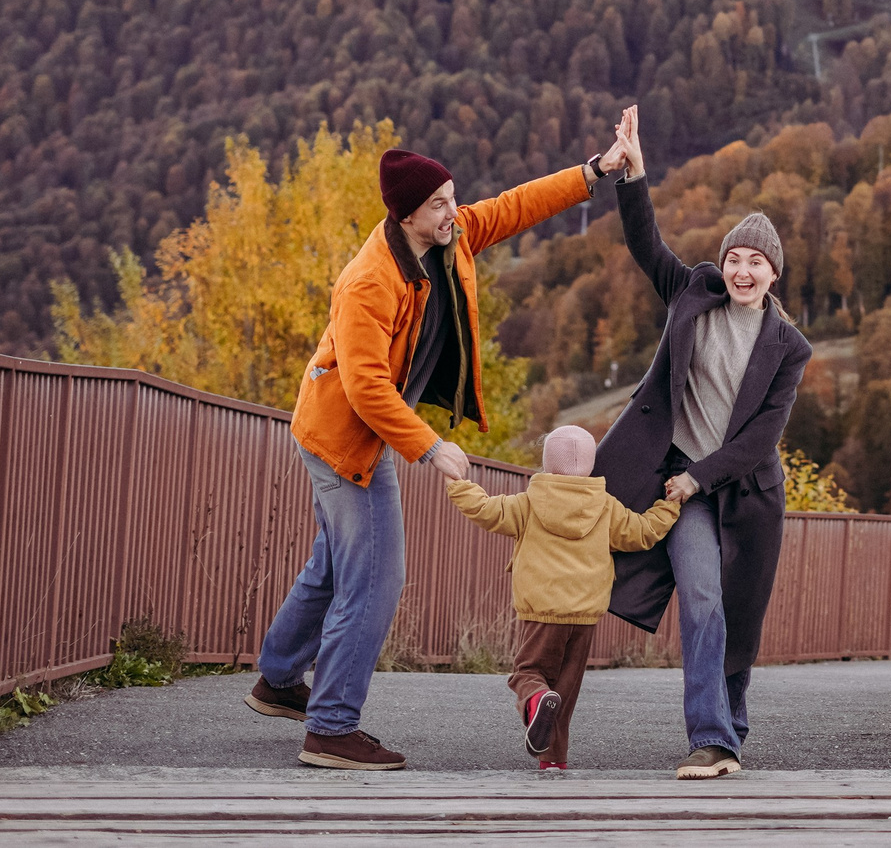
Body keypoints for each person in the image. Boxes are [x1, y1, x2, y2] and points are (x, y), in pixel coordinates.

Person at [246, 143, 626, 770]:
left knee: (337, 565)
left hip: (349, 431)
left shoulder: (448, 238)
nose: (455, 211)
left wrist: (594, 172)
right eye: (439, 204)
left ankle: (279, 679)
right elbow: (367, 387)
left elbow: (515, 206)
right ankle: (331, 728)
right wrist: (430, 447)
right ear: (405, 216)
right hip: (345, 443)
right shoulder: (368, 281)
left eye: (452, 198)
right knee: (375, 578)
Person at [592, 104, 812, 779]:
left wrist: (701, 477)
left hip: (745, 495)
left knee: (739, 620)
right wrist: (634, 173)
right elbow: (646, 243)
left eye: (757, 263)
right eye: (735, 259)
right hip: (681, 482)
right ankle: (713, 739)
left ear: (775, 274)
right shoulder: (693, 293)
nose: (743, 271)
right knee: (704, 600)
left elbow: (759, 440)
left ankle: (730, 722)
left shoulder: (787, 347)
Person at [445, 424, 680, 771]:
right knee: (566, 691)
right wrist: (670, 506)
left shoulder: (528, 503)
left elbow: (486, 510)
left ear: (546, 464)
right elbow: (642, 533)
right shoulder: (605, 506)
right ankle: (553, 760)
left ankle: (537, 699)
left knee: (528, 673)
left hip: (542, 610)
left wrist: (458, 485)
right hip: (586, 613)